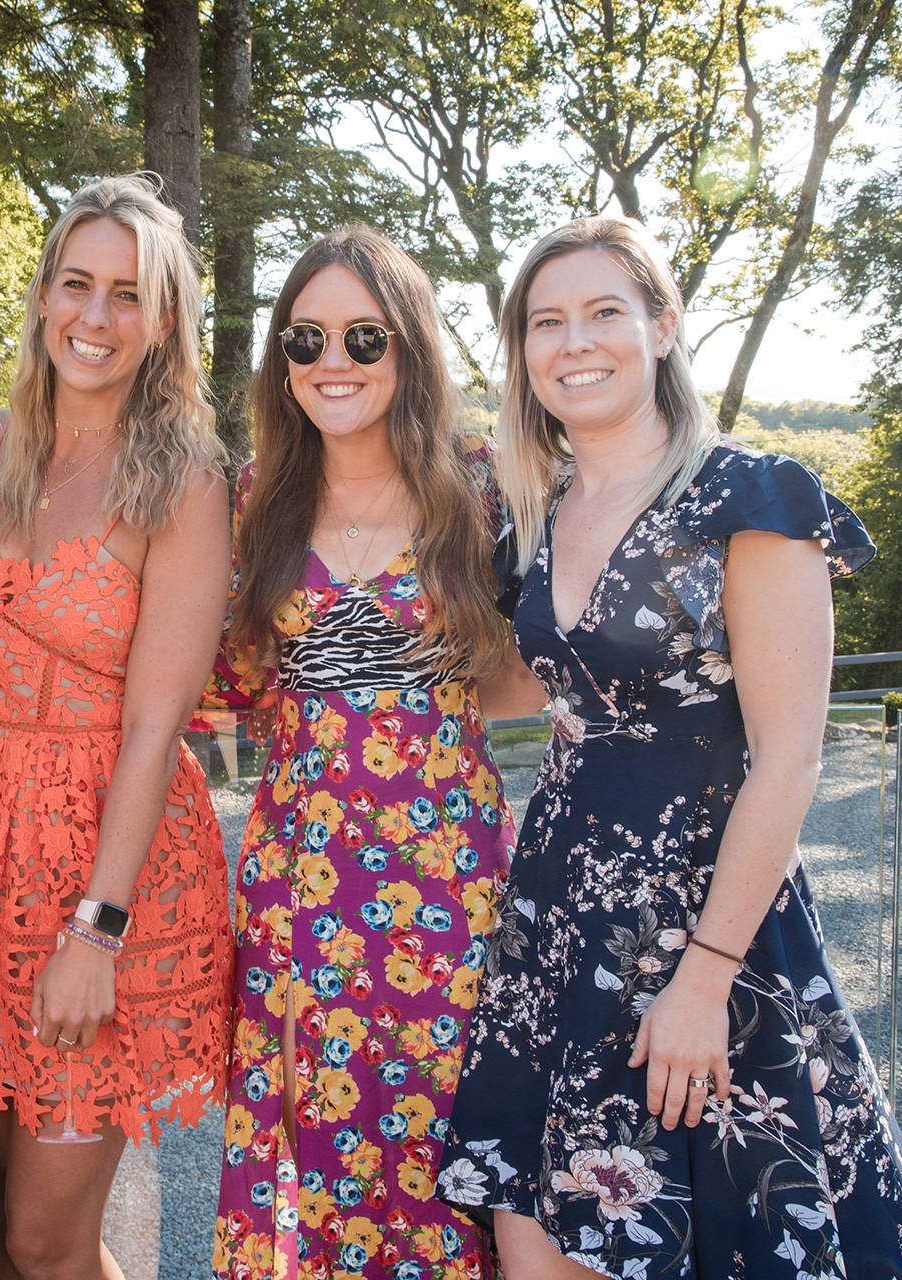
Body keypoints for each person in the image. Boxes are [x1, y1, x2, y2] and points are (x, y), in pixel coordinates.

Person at [433, 216, 902, 1279]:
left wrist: (704, 977)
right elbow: (520, 685)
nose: (574, 342)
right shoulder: (534, 514)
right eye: (546, 322)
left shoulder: (750, 499)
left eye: (603, 313)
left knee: (714, 1239)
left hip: (708, 920)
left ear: (662, 327)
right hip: (557, 912)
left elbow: (790, 758)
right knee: (538, 1245)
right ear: (522, 350)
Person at [201, 226, 547, 1280]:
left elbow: (549, 660)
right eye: (305, 340)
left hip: (447, 871)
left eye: (364, 336)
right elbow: (219, 682)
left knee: (444, 1132)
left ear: (410, 349)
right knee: (312, 1137)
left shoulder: (482, 485)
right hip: (298, 880)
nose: (332, 362)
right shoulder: (252, 498)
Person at [0, 174, 235, 1280]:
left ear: (164, 321)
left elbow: (156, 724)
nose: (95, 318)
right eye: (77, 284)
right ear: (45, 293)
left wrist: (94, 930)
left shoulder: (185, 480)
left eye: (128, 294)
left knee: (47, 1241)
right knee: (7, 1218)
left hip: (100, 875)